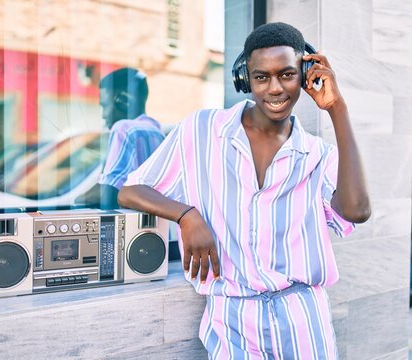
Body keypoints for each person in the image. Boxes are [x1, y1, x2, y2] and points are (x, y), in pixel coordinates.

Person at [118, 22, 371, 359]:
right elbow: (130, 190)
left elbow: (356, 211)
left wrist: (337, 109)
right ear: (245, 79)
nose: (275, 88)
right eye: (261, 77)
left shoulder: (316, 154)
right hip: (232, 318)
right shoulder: (203, 130)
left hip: (302, 317)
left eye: (287, 74)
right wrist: (186, 215)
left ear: (306, 75)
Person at [96, 67, 165, 209]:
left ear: (123, 101)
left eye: (104, 106)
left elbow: (109, 192)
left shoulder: (124, 129)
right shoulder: (157, 132)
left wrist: (73, 201)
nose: (103, 115)